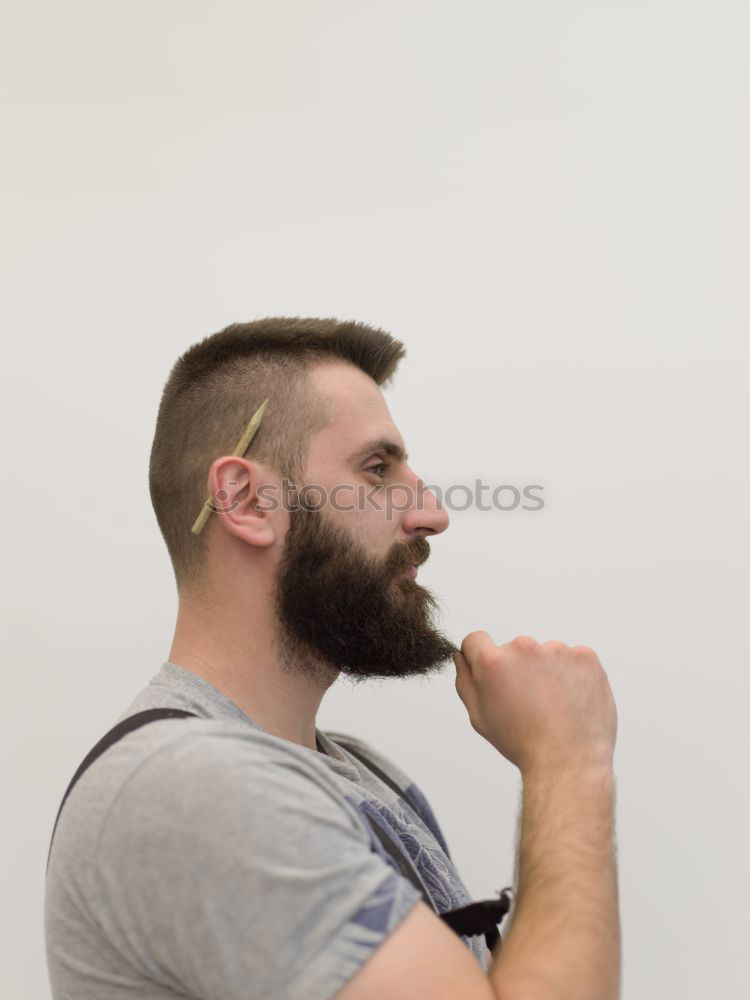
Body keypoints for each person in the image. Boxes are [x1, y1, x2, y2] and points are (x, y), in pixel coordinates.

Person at [45, 316, 621, 999]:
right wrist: (568, 762)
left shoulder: (357, 772)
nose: (432, 512)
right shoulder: (194, 787)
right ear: (248, 500)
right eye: (377, 469)